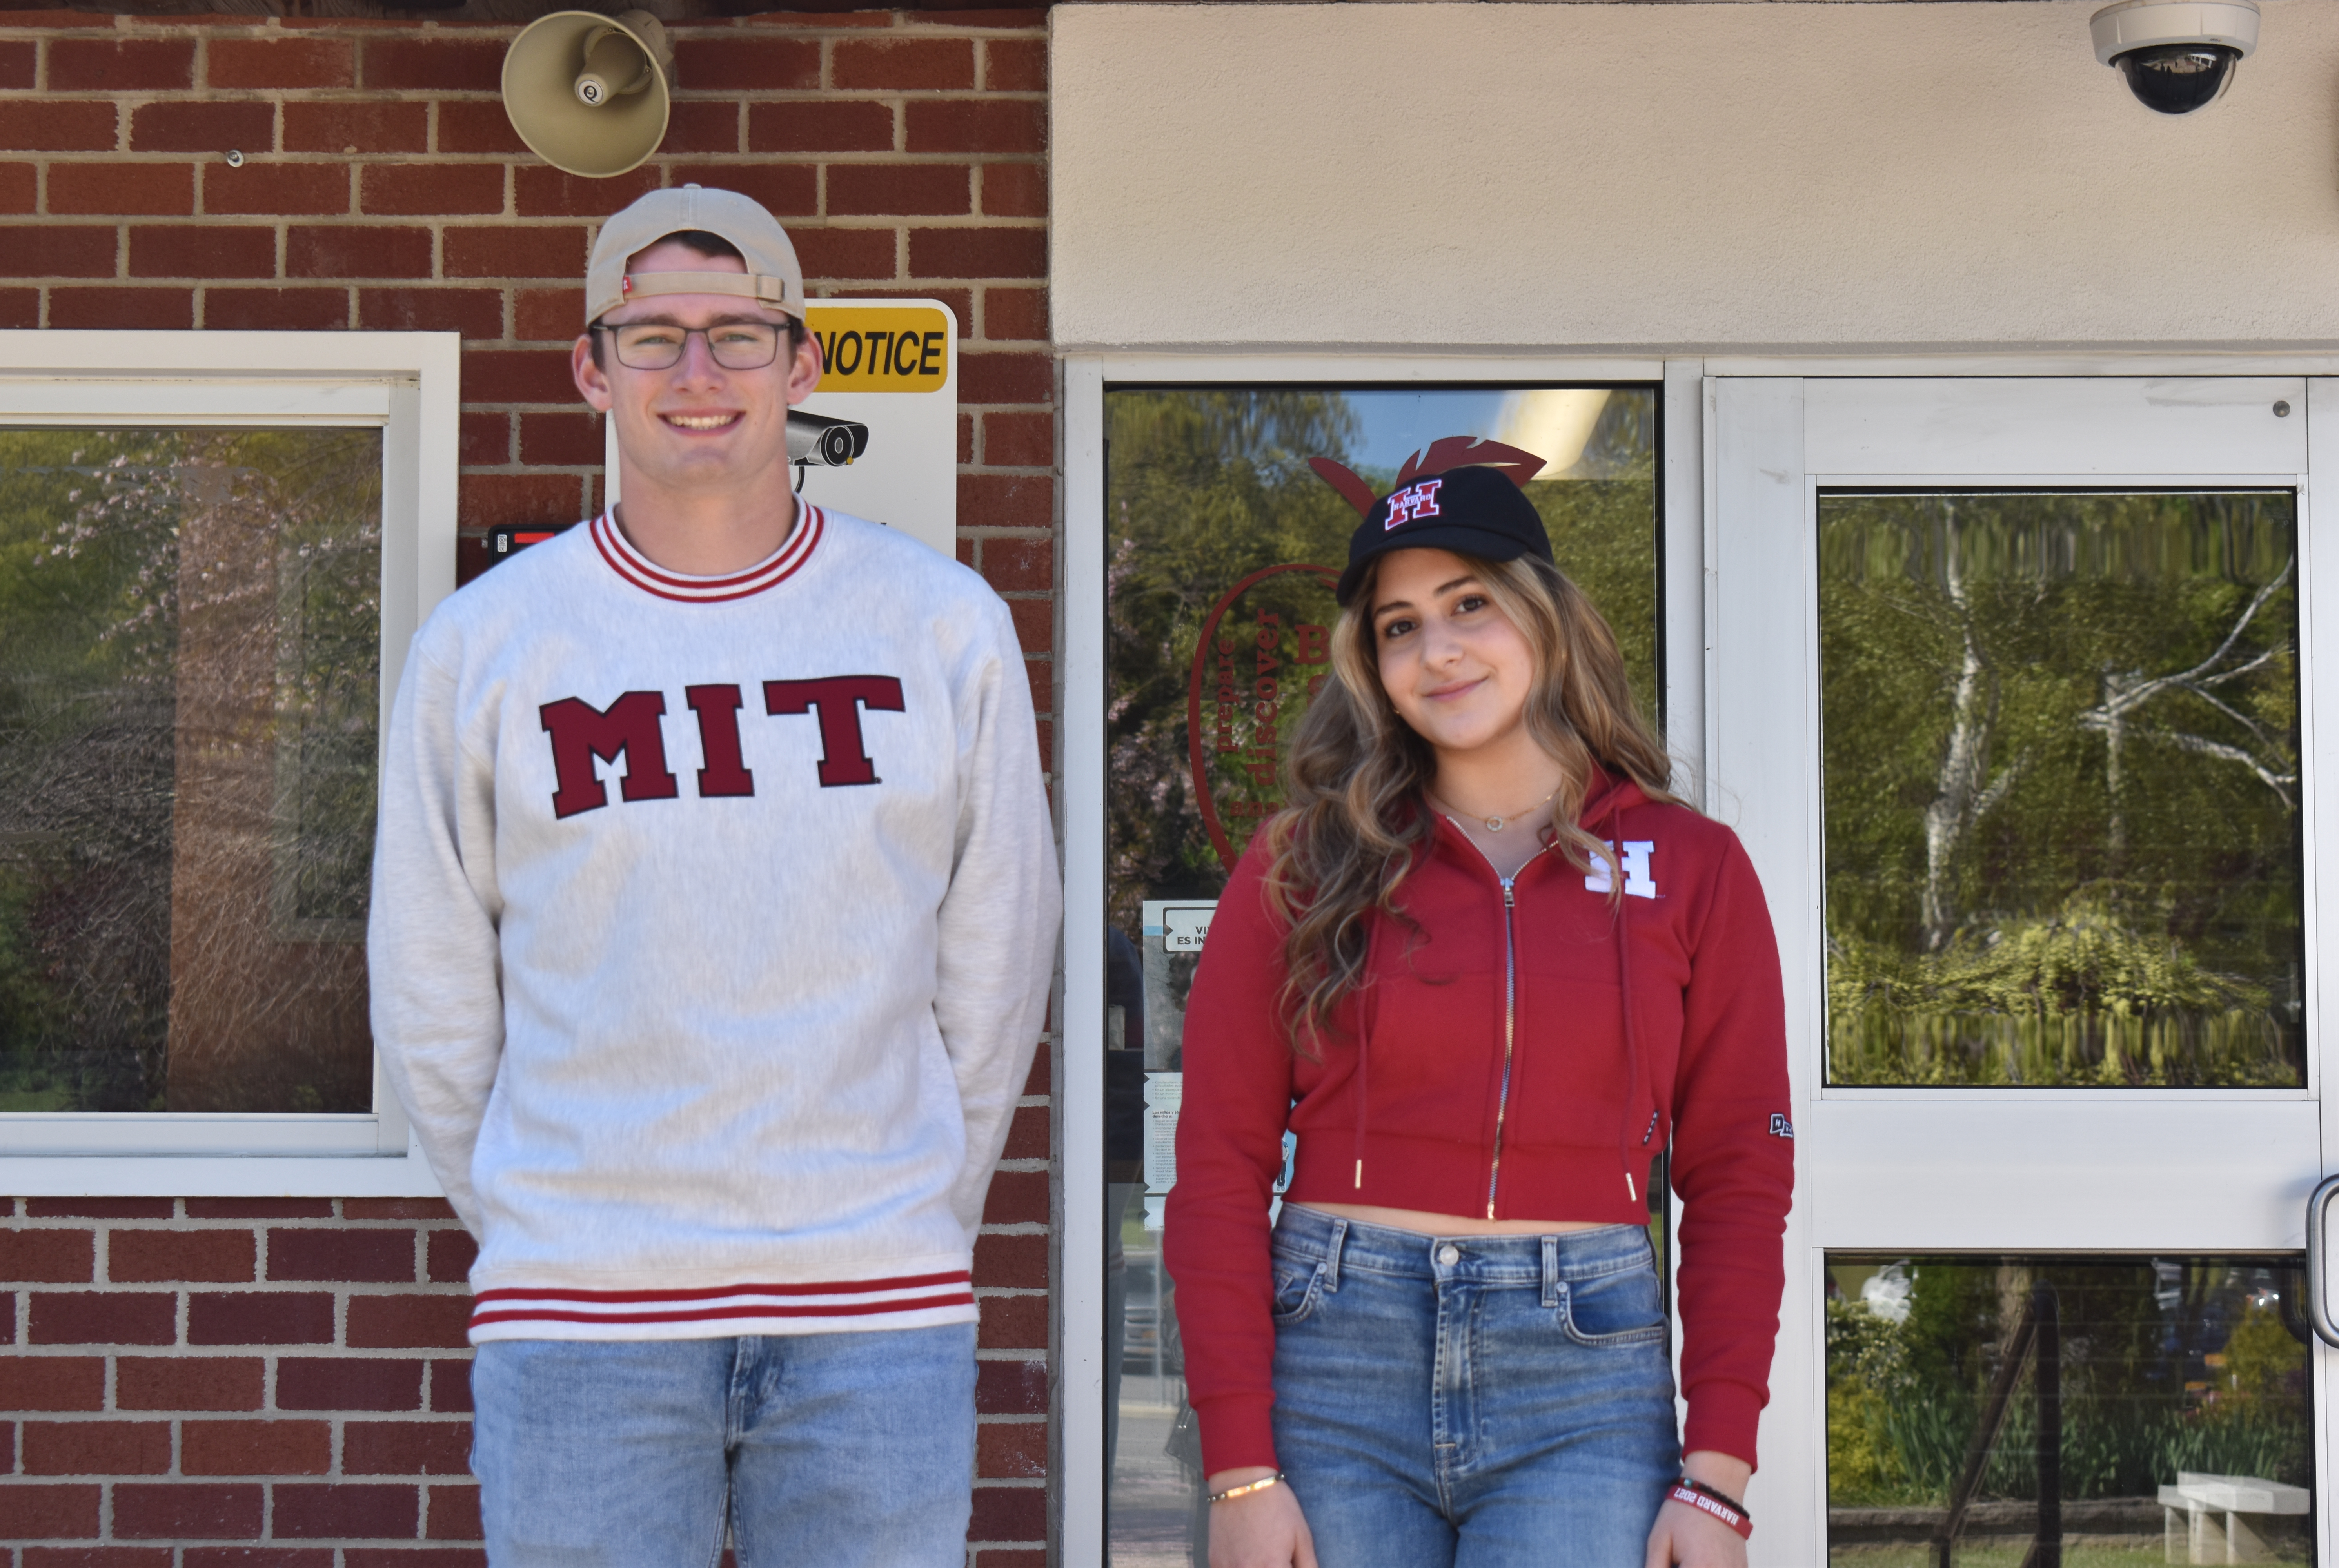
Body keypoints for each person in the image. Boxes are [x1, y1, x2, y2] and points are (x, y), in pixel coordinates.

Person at [366, 185, 1059, 1567]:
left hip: (871, 1313)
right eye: (654, 334)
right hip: (582, 1317)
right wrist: (540, 1217)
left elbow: (997, 968)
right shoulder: (490, 644)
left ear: (802, 363)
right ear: (591, 366)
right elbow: (432, 983)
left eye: (739, 334)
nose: (697, 373)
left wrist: (911, 1203)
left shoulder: (941, 627)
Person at [1164, 461, 1794, 1568]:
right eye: (1398, 626)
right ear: (1372, 665)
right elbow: (1218, 1163)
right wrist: (1240, 1472)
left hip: (1586, 1378)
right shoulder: (1302, 866)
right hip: (1335, 1368)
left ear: (1545, 617)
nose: (1438, 650)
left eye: (1470, 605)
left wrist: (1719, 1476)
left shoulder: (1692, 867)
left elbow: (1742, 1168)